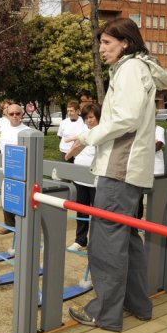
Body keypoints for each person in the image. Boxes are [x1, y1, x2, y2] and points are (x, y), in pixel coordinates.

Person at [66, 18, 167, 332]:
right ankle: (138, 304)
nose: (101, 49)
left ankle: (104, 313)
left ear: (125, 42)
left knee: (105, 243)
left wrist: (86, 138)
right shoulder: (140, 68)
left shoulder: (129, 69)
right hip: (131, 168)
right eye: (101, 42)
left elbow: (125, 119)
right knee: (127, 238)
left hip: (120, 168)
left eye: (107, 43)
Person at [64, 103, 101, 252]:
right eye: (86, 118)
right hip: (80, 177)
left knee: (98, 211)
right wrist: (70, 154)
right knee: (81, 209)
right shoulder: (82, 130)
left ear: (98, 117)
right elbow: (74, 149)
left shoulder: (103, 131)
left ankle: (97, 242)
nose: (89, 121)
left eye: (91, 117)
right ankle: (80, 240)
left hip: (96, 178)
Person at [0, 103, 29, 235]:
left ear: (22, 114)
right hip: (7, 170)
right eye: (11, 114)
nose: (15, 116)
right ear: (6, 115)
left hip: (23, 172)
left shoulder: (28, 131)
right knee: (5, 197)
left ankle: (24, 226)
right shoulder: (4, 131)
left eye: (18, 113)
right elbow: (1, 150)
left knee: (23, 200)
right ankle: (9, 224)